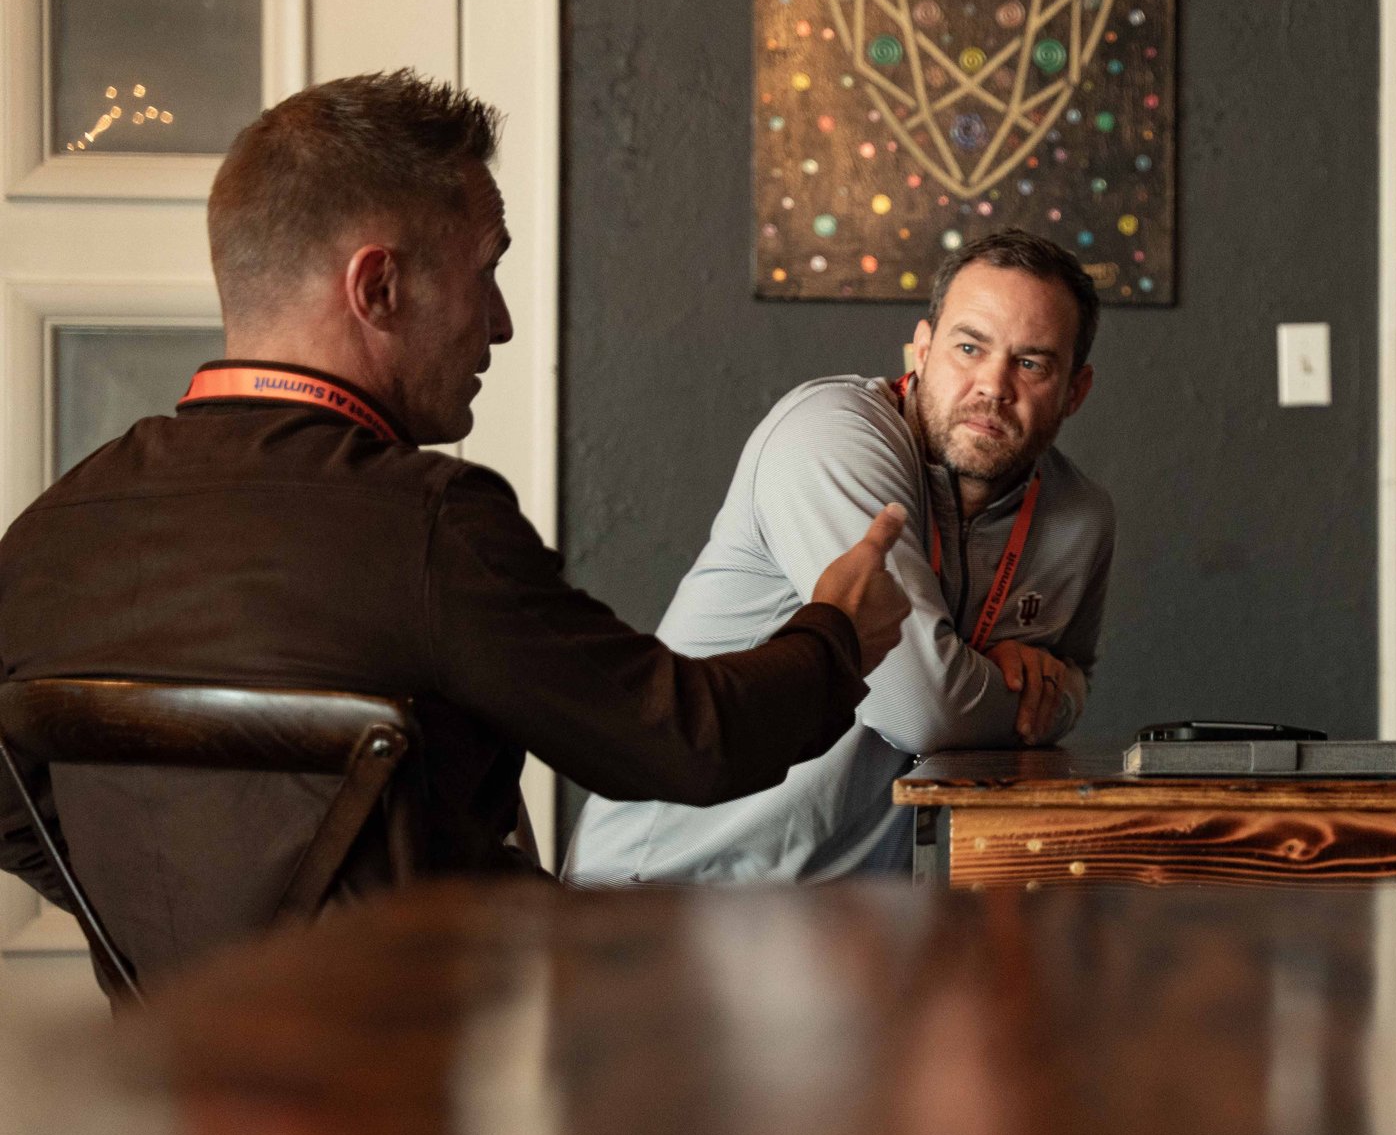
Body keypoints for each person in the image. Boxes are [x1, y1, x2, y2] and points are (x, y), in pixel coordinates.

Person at [0, 70, 910, 980]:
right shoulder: (427, 524)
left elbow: (13, 813)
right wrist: (836, 633)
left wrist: (181, 951)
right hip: (428, 1059)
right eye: (487, 270)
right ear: (379, 286)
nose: (502, 324)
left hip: (174, 1057)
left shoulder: (52, 530)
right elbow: (687, 742)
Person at [568, 230, 1115, 883]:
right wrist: (1023, 695)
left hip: (856, 908)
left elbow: (1072, 677)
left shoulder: (1080, 518)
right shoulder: (830, 435)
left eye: (1031, 363)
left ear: (1075, 390)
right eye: (969, 347)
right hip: (666, 891)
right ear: (922, 349)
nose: (992, 385)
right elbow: (922, 709)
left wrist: (1050, 691)